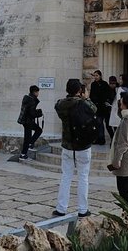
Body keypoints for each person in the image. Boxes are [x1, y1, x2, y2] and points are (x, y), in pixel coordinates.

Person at [53, 78, 96, 218]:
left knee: (66, 176)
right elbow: (94, 109)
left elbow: (57, 105)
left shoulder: (61, 105)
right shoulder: (84, 104)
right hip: (83, 146)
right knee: (83, 177)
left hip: (67, 146)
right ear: (79, 90)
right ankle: (83, 209)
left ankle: (61, 208)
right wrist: (86, 98)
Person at [17, 85, 43, 160]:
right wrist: (39, 113)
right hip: (28, 121)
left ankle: (25, 151)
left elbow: (28, 111)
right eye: (38, 92)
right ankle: (25, 151)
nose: (38, 94)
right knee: (38, 130)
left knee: (27, 137)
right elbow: (32, 113)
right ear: (35, 92)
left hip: (25, 121)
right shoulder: (32, 100)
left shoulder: (27, 98)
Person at [89, 70, 113, 145]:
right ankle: (101, 139)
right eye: (95, 75)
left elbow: (108, 94)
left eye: (97, 75)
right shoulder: (93, 84)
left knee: (108, 124)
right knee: (99, 124)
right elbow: (91, 95)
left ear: (100, 76)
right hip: (97, 107)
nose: (95, 77)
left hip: (104, 107)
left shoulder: (104, 84)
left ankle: (113, 138)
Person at [105, 76, 118, 142]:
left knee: (115, 125)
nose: (112, 85)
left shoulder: (118, 90)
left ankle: (115, 138)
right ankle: (112, 137)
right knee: (108, 124)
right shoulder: (107, 89)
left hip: (115, 110)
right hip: (108, 109)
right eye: (111, 83)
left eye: (114, 83)